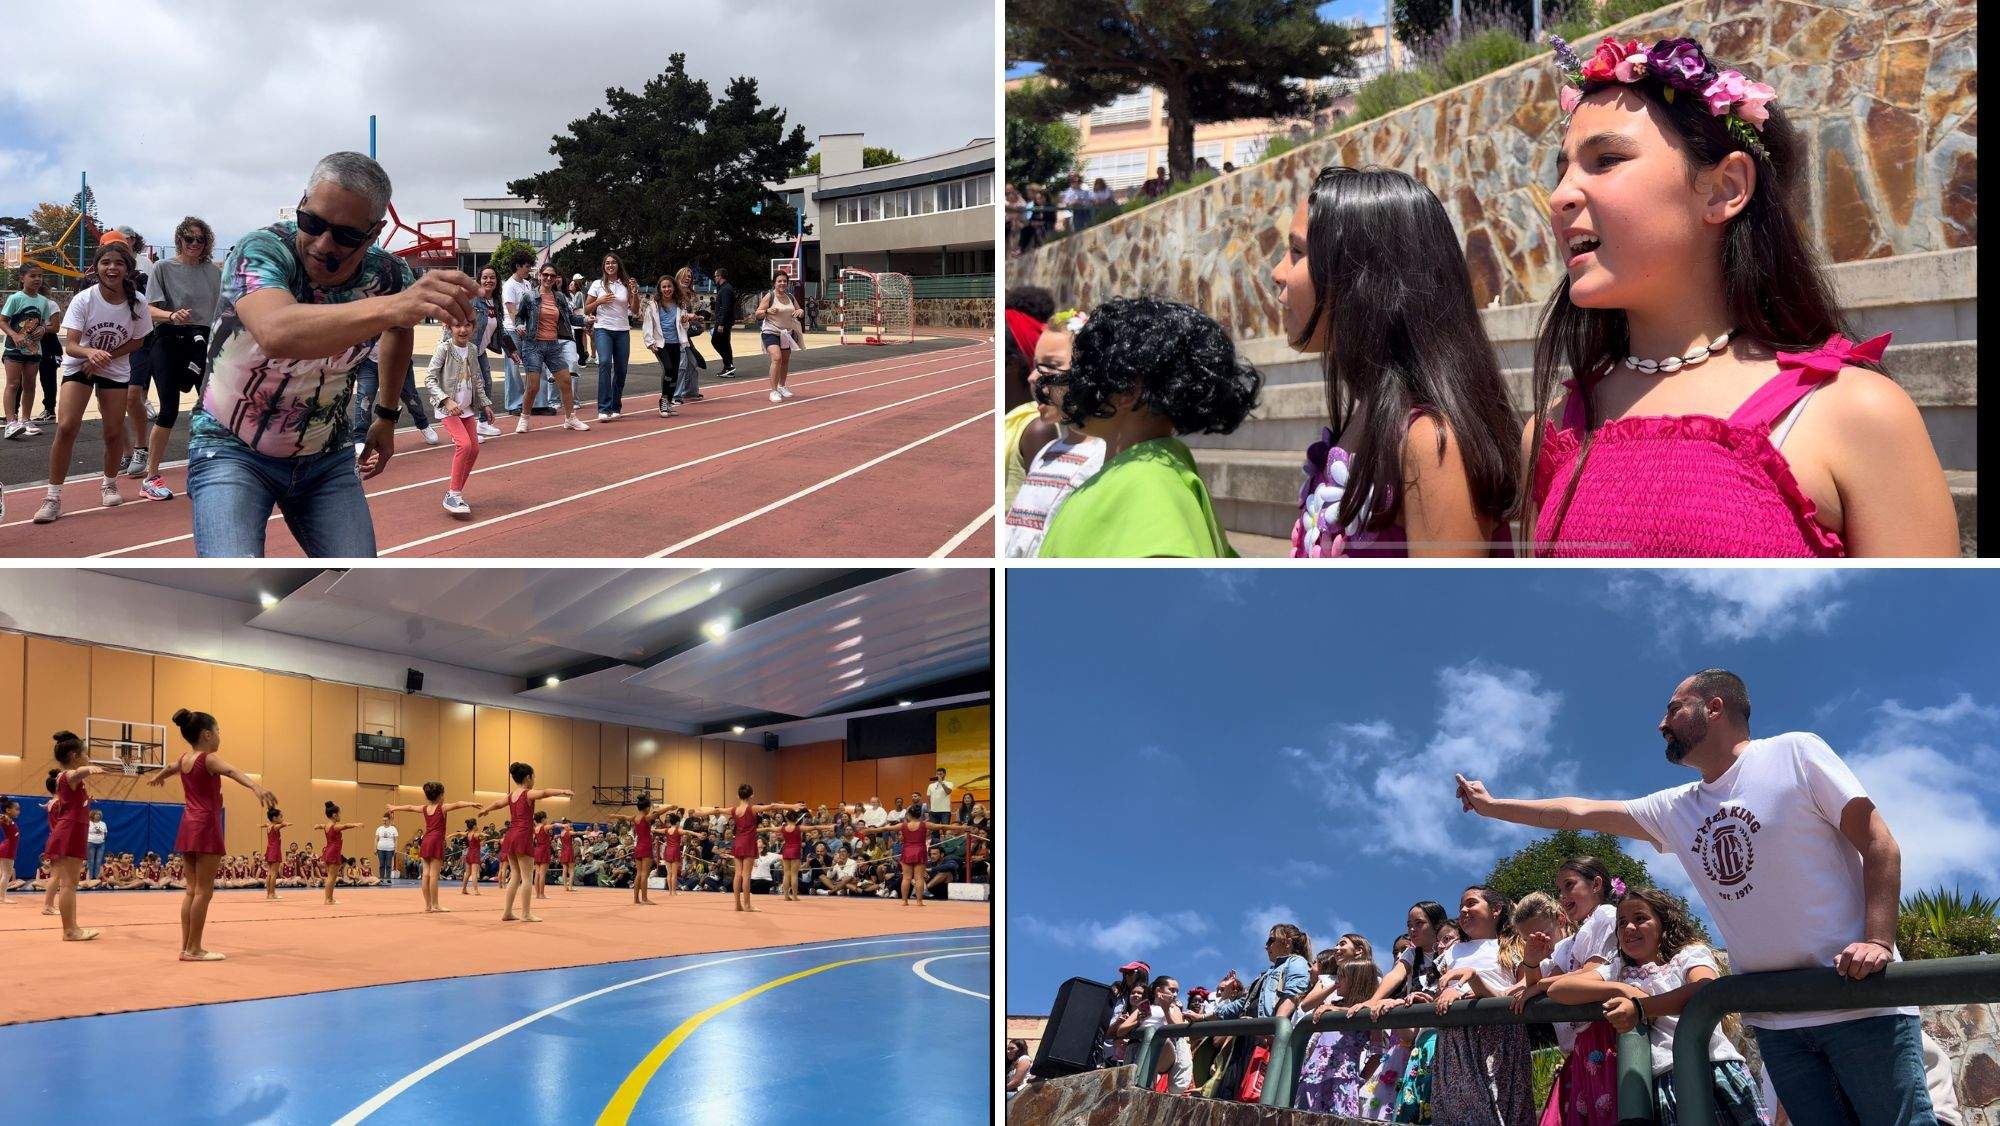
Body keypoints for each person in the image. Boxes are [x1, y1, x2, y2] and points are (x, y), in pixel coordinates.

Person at [1525, 34, 1955, 556]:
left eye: (1606, 159)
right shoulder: (1549, 432)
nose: (1560, 195)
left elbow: (1925, 633)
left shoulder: (1856, 414)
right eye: (1562, 169)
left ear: (1727, 187)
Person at [1455, 666, 1937, 1123]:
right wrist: (1493, 806)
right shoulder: (1676, 808)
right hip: (1776, 1022)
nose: (1661, 723)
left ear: (1714, 707)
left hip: (1857, 1001)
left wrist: (1877, 939)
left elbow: (1879, 841)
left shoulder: (1795, 752)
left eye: (1673, 709)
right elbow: (1575, 812)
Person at [189, 151, 478, 556]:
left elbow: (398, 331)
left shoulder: (387, 275)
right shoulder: (261, 251)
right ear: (302, 204)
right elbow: (276, 331)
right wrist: (396, 305)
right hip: (231, 447)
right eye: (313, 223)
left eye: (346, 236)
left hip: (325, 458)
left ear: (374, 233)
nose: (324, 245)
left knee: (359, 585)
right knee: (233, 578)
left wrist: (386, 414)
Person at [1273, 166, 1518, 557]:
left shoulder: (1430, 443)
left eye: (1297, 252)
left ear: (1364, 280)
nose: (1278, 272)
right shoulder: (1368, 413)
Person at [1035, 297, 1260, 557]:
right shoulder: (1152, 475)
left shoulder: (1148, 487)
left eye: (1087, 368)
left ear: (1127, 389)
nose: (1071, 379)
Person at [1547, 886, 1764, 1123]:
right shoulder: (1620, 970)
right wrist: (1620, 988)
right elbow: (1559, 990)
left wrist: (1641, 1008)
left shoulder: (1688, 955)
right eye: (1621, 922)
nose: (1629, 928)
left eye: (1640, 919)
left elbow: (1705, 989)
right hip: (1657, 1083)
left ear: (1663, 923)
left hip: (1711, 1069)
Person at [143, 708, 277, 960]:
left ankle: (186, 947)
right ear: (206, 734)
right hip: (206, 824)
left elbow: (171, 767)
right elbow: (232, 771)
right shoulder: (208, 760)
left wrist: (158, 776)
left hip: (188, 824)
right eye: (218, 731)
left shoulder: (184, 759)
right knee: (204, 892)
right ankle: (194, 948)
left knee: (192, 891)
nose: (219, 736)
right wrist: (256, 787)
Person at [35, 242, 151, 524]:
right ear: (97, 267)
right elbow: (71, 345)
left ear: (127, 268)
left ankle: (109, 483)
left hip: (113, 368)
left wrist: (104, 357)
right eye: (106, 262)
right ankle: (52, 496)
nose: (112, 268)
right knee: (66, 426)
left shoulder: (137, 302)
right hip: (80, 365)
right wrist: (90, 353)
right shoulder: (84, 299)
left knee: (113, 432)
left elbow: (138, 340)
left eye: (119, 263)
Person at [1510, 858, 1621, 1125]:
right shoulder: (1566, 944)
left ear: (1596, 884)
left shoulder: (1605, 915)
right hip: (1577, 1048)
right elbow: (1538, 989)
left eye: (1569, 885)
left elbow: (1594, 972)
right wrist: (1532, 961)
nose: (1563, 895)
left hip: (1603, 1036)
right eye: (1560, 889)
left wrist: (1539, 985)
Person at [131, 218, 224, 501]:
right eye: (189, 239)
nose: (194, 244)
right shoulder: (163, 268)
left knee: (212, 410)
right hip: (170, 339)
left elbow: (224, 308)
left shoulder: (214, 272)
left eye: (200, 239)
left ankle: (207, 471)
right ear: (179, 240)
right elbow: (148, 309)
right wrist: (171, 315)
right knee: (169, 408)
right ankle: (151, 476)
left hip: (203, 341)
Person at [1006, 308, 1104, 557]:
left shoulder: (1101, 462)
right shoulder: (1047, 453)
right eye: (1035, 365)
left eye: (1050, 366)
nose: (1032, 377)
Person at [1349, 900, 1449, 1120]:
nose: (1412, 929)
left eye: (1419, 923)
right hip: (1419, 1034)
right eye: (1409, 924)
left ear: (1436, 924)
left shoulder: (1451, 949)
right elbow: (1395, 975)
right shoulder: (1412, 954)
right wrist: (1374, 1001)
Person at [1190, 923, 1314, 1101]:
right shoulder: (1267, 973)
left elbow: (1293, 995)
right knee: (1231, 1091)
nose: (1266, 946)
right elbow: (1239, 1005)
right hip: (1245, 1035)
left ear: (1286, 942)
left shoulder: (1296, 963)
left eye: (1271, 940)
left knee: (1252, 1094)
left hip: (1263, 1038)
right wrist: (1202, 1017)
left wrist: (1274, 1028)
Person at [478, 761, 573, 923]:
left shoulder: (511, 796)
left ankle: (507, 912)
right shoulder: (527, 793)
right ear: (528, 778)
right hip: (522, 835)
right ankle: (526, 913)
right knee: (527, 877)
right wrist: (562, 791)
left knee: (515, 875)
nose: (534, 779)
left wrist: (486, 809)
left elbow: (497, 804)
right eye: (533, 776)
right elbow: (544, 793)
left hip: (511, 835)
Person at [423, 316, 492, 516]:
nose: (462, 329)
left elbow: (477, 378)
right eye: (457, 325)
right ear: (448, 327)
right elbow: (430, 378)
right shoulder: (444, 349)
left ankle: (455, 492)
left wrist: (485, 404)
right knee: (465, 445)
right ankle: (453, 493)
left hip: (466, 409)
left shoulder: (471, 349)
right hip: (448, 409)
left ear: (473, 327)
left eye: (467, 325)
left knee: (475, 449)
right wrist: (446, 400)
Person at [47, 730, 112, 940]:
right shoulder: (68, 775)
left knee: (70, 883)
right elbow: (75, 774)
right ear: (75, 756)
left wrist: (85, 801)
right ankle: (70, 930)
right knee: (69, 884)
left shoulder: (65, 779)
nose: (88, 757)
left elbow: (73, 796)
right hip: (70, 830)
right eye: (86, 754)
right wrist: (88, 769)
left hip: (72, 828)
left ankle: (72, 927)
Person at [512, 264, 589, 434]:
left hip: (553, 345)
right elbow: (519, 317)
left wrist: (585, 320)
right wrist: (519, 326)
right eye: (545, 275)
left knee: (566, 381)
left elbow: (569, 318)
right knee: (533, 386)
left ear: (556, 278)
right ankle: (524, 418)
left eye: (552, 276)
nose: (548, 278)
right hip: (533, 346)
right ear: (539, 276)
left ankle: (570, 419)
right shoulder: (529, 297)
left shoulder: (559, 297)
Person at [720, 785, 803, 912]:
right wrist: (791, 806)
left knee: (738, 874)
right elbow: (773, 806)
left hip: (737, 842)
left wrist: (701, 812)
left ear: (738, 796)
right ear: (752, 795)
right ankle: (747, 905)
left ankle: (737, 904)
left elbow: (717, 810)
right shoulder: (753, 808)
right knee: (746, 875)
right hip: (748, 842)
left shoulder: (734, 810)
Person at [3, 265, 61, 442]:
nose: (37, 279)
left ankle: (26, 419)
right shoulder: (15, 298)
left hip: (34, 350)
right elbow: (2, 320)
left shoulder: (43, 301)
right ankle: (11, 421)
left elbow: (44, 323)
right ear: (22, 278)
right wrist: (13, 334)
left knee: (30, 385)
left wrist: (43, 329)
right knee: (13, 384)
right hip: (14, 349)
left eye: (40, 276)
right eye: (32, 276)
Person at [584, 253, 635, 421]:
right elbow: (586, 309)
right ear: (603, 266)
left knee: (621, 369)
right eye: (607, 263)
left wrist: (634, 293)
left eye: (613, 262)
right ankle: (604, 408)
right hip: (603, 328)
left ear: (618, 265)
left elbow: (634, 310)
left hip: (622, 330)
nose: (610, 265)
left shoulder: (626, 284)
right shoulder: (597, 284)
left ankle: (615, 405)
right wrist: (600, 301)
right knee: (605, 362)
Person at [754, 272, 805, 404]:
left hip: (786, 333)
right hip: (770, 331)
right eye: (779, 281)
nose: (782, 283)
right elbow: (758, 313)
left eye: (784, 281)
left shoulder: (790, 297)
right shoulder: (769, 296)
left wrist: (800, 312)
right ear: (774, 283)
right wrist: (766, 311)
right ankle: (773, 390)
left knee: (785, 360)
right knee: (777, 358)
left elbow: (799, 310)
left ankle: (782, 386)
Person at [640, 275, 684, 418]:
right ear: (659, 288)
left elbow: (683, 325)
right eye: (664, 287)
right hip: (660, 343)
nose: (667, 289)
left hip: (676, 342)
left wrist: (685, 321)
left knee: (675, 374)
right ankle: (664, 400)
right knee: (668, 369)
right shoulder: (653, 305)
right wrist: (650, 343)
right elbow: (647, 325)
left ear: (674, 288)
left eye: (669, 286)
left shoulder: (680, 304)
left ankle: (669, 402)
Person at [668, 267, 708, 406]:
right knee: (681, 365)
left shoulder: (689, 295)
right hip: (673, 334)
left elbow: (686, 315)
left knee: (692, 363)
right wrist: (688, 317)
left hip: (684, 334)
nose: (688, 278)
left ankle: (690, 391)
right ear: (678, 277)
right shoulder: (672, 294)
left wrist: (695, 318)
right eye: (685, 275)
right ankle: (675, 395)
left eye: (690, 276)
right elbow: (671, 315)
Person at [319, 802, 362, 904]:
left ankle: (330, 898)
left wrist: (317, 826)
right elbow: (345, 826)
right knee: (331, 877)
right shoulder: (334, 826)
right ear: (335, 815)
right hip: (333, 852)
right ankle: (328, 899)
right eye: (339, 813)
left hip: (329, 851)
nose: (340, 816)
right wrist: (355, 824)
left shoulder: (327, 825)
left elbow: (322, 825)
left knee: (331, 877)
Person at [709, 267, 737, 377]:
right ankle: (728, 367)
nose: (715, 278)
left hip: (723, 322)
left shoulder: (725, 289)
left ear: (720, 276)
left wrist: (721, 323)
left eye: (716, 276)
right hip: (725, 321)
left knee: (716, 341)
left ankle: (729, 365)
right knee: (725, 343)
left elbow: (726, 307)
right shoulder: (725, 288)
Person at [261, 807, 289, 900]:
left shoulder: (269, 826)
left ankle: (269, 893)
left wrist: (264, 824)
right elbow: (282, 824)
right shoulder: (276, 826)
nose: (282, 818)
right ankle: (272, 894)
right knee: (274, 874)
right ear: (274, 818)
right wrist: (285, 824)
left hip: (269, 850)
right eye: (281, 816)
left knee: (269, 873)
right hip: (275, 851)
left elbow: (268, 824)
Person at [373, 810, 399, 886]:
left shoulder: (393, 829)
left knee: (388, 864)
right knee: (381, 864)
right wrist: (375, 848)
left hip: (390, 849)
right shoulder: (379, 829)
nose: (384, 822)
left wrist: (396, 849)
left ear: (389, 820)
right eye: (383, 820)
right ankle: (381, 879)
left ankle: (388, 879)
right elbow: (376, 839)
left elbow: (396, 840)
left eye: (386, 820)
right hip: (380, 849)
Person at [531, 811, 553, 899]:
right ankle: (542, 894)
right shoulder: (544, 827)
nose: (547, 820)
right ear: (543, 819)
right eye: (546, 818)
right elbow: (554, 826)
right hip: (544, 850)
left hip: (537, 850)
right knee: (542, 874)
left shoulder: (536, 828)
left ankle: (537, 894)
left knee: (537, 873)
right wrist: (562, 825)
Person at [0, 798, 18, 903]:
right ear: (8, 810)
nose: (18, 811)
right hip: (8, 849)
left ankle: (1, 896)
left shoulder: (7, 819)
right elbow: (3, 817)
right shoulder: (6, 818)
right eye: (16, 809)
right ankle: (2, 897)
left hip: (6, 848)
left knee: (4, 873)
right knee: (7, 874)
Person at [459, 818, 483, 895]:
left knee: (467, 873)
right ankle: (476, 890)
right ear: (474, 826)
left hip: (469, 854)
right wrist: (483, 834)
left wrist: (451, 835)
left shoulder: (467, 833)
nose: (477, 826)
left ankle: (464, 889)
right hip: (475, 854)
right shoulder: (475, 833)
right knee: (474, 873)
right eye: (476, 825)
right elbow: (478, 835)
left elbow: (458, 834)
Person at [85, 808, 108, 879]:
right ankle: (89, 877)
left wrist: (103, 838)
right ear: (92, 815)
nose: (97, 816)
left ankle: (97, 878)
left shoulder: (103, 823)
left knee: (98, 861)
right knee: (91, 861)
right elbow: (85, 832)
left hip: (101, 844)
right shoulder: (89, 822)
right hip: (91, 843)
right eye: (96, 814)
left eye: (99, 814)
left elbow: (105, 833)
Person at [558, 818, 577, 891]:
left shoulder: (561, 833)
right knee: (571, 870)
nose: (570, 827)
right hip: (569, 850)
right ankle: (571, 887)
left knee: (564, 869)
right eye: (569, 825)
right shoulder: (569, 832)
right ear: (566, 825)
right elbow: (577, 833)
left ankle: (565, 887)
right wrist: (585, 832)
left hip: (563, 850)